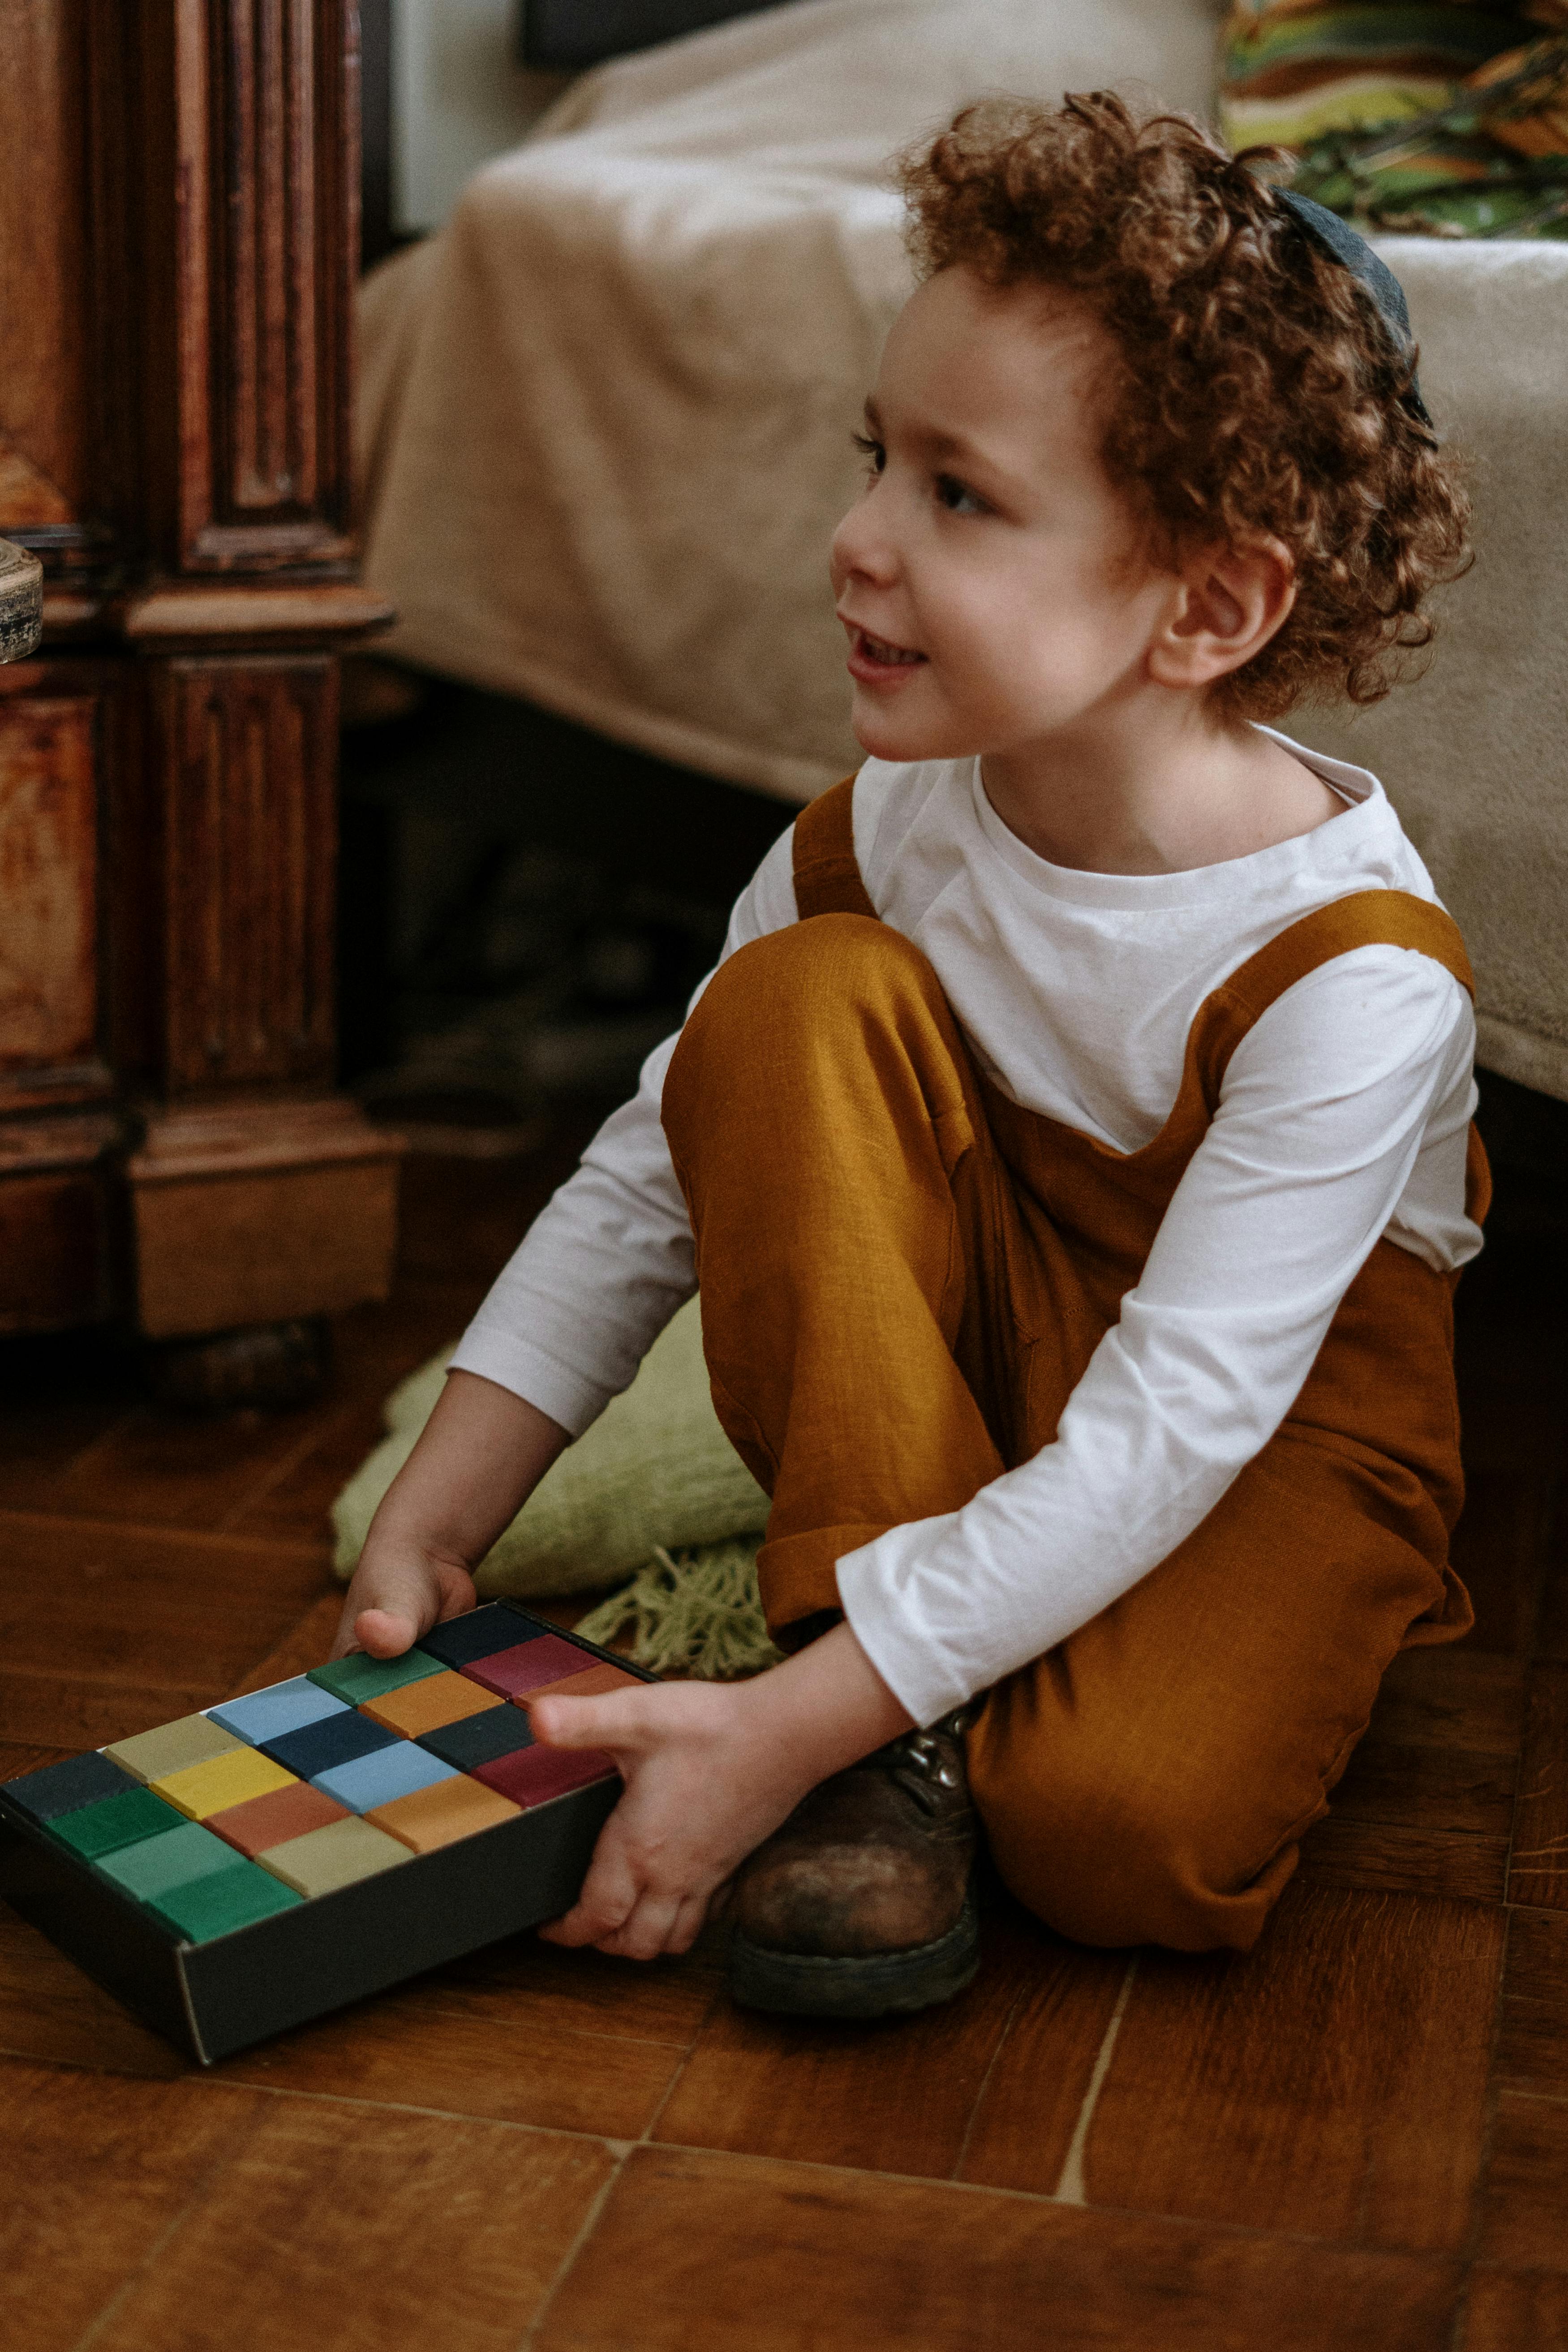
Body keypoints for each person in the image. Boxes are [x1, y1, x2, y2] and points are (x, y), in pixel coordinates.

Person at [333, 93, 1483, 2018]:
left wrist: (773, 1715)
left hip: (1261, 1424)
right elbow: (647, 1175)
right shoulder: (885, 827)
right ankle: (872, 1712)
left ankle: (868, 1685)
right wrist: (441, 1509)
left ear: (1208, 602)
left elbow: (1164, 1432)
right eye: (882, 458)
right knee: (784, 1008)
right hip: (971, 1359)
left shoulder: (1354, 975)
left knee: (1119, 1836)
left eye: (959, 493)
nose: (855, 539)